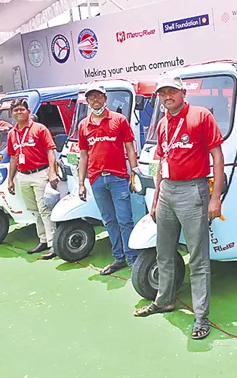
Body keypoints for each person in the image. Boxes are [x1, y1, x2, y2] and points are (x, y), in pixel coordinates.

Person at [133, 73, 225, 341]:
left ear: (183, 92)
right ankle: (164, 300)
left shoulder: (200, 116)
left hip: (193, 190)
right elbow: (161, 163)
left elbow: (217, 158)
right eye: (162, 93)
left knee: (198, 257)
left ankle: (200, 317)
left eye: (171, 91)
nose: (167, 96)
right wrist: (156, 195)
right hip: (167, 193)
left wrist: (215, 197)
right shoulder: (162, 124)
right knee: (164, 252)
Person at [77, 82, 139, 275]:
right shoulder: (83, 126)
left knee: (125, 220)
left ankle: (133, 259)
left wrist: (135, 173)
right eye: (91, 97)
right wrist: (81, 183)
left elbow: (130, 148)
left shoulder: (119, 120)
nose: (95, 100)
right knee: (109, 221)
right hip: (96, 180)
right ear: (87, 101)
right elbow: (83, 155)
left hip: (118, 178)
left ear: (105, 98)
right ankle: (119, 258)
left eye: (98, 96)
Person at [6, 98, 60, 260]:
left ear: (28, 111)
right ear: (11, 114)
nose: (19, 112)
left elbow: (51, 151)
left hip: (40, 174)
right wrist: (10, 179)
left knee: (45, 209)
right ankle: (43, 240)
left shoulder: (39, 129)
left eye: (22, 109)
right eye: (15, 110)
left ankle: (53, 244)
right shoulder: (12, 134)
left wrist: (52, 172)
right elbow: (14, 158)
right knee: (34, 210)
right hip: (23, 175)